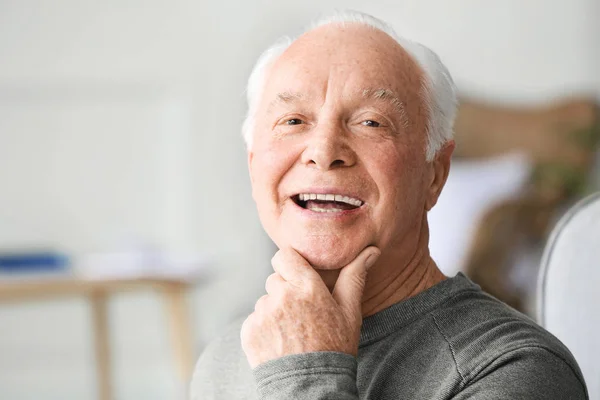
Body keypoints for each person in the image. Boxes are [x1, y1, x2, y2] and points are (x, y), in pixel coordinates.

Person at [190, 10, 587, 400]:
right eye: (293, 121)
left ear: (435, 174)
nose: (324, 151)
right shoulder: (223, 360)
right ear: (254, 164)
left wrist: (306, 374)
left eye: (371, 123)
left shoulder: (518, 370)